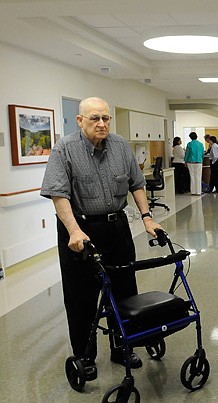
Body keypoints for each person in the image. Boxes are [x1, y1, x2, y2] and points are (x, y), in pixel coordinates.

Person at [40, 96, 163, 381]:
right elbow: (59, 194)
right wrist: (73, 230)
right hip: (80, 230)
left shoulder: (120, 146)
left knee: (124, 289)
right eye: (95, 118)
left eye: (106, 118)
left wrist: (146, 217)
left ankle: (122, 347)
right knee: (82, 297)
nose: (101, 123)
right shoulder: (64, 150)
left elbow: (137, 184)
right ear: (80, 121)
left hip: (116, 227)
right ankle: (85, 354)